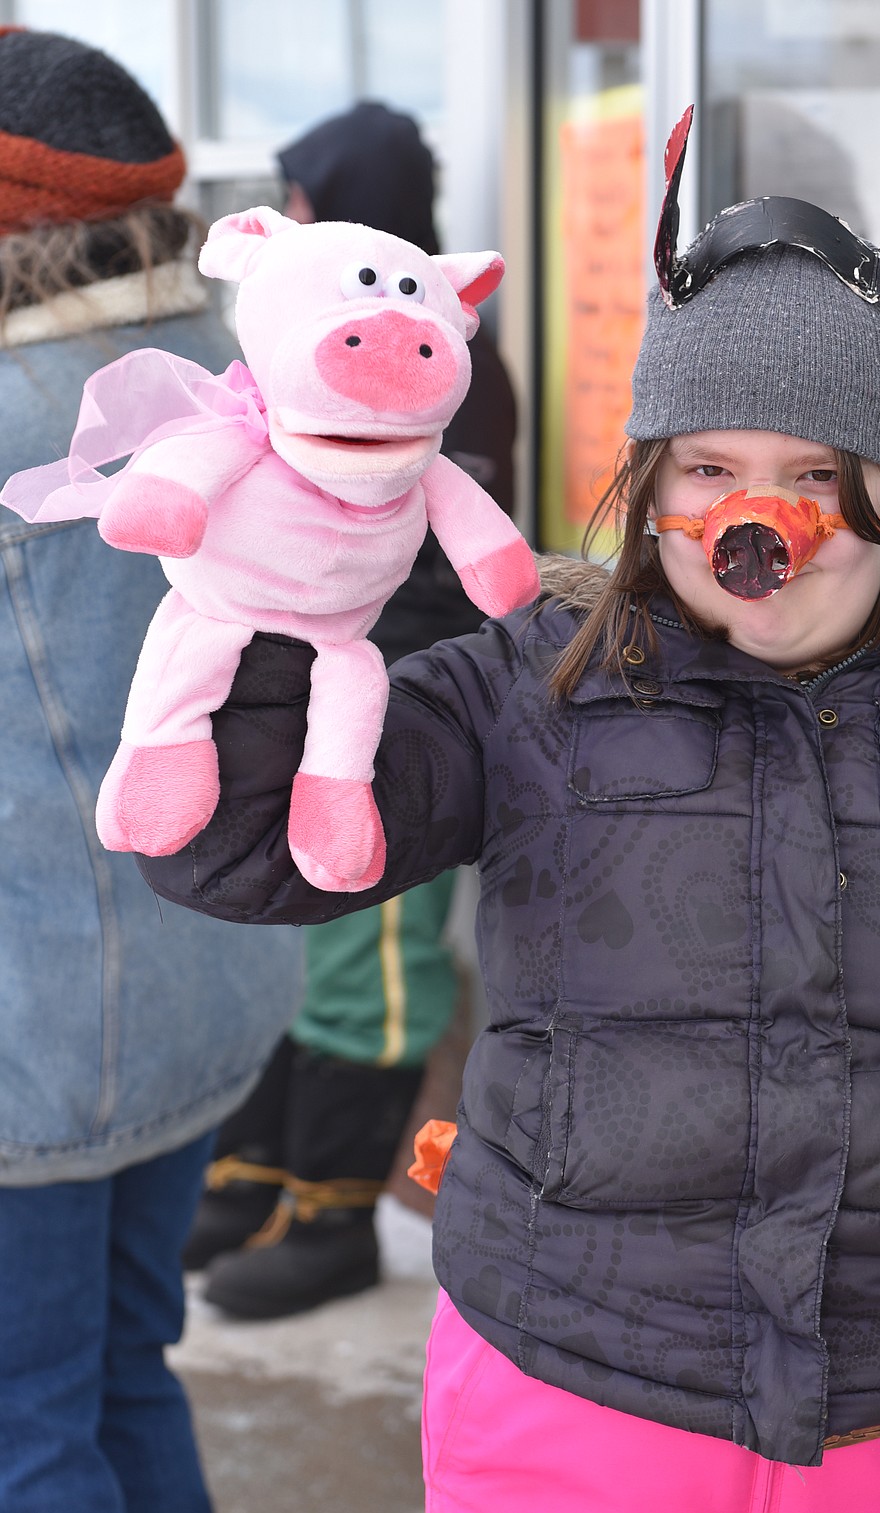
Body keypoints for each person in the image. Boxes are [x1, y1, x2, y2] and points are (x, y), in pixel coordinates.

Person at [136, 111, 880, 1513]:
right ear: (649, 490)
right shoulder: (526, 690)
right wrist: (274, 598)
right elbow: (242, 851)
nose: (762, 524)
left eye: (815, 473)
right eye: (707, 470)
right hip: (569, 1391)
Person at [0, 28, 304, 1513]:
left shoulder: (18, 419)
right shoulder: (233, 373)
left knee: (22, 1425)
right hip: (202, 977)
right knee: (124, 1366)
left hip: (28, 1033)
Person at [182, 99, 519, 1320]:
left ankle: (334, 1214)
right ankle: (257, 1175)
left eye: (310, 196)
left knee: (373, 970)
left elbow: (450, 560)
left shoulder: (441, 356)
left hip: (396, 716)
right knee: (288, 952)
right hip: (291, 701)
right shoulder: (312, 337)